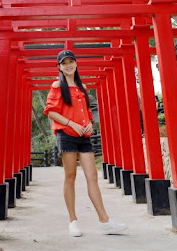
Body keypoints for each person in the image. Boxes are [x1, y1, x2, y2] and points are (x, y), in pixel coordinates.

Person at [44, 49, 128, 237]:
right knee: (70, 176)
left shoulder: (83, 87)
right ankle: (73, 221)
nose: (68, 65)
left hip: (84, 136)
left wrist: (90, 124)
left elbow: (88, 112)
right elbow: (50, 111)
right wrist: (71, 123)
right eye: (64, 63)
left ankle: (105, 221)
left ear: (76, 63)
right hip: (66, 135)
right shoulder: (57, 85)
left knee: (93, 177)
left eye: (70, 61)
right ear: (59, 66)